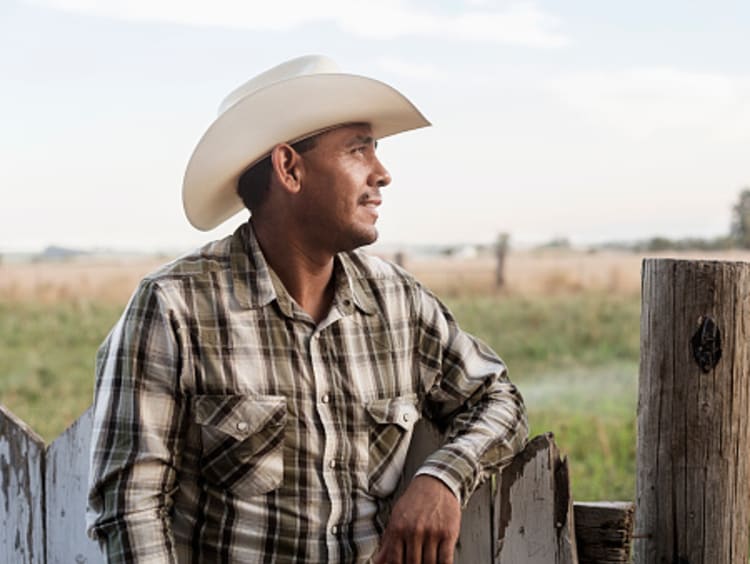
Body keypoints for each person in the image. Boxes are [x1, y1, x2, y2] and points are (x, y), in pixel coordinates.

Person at [87, 55, 528, 564]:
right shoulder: (174, 307)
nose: (382, 174)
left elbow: (497, 397)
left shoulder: (398, 301)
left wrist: (442, 478)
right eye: (358, 150)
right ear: (289, 168)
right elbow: (130, 510)